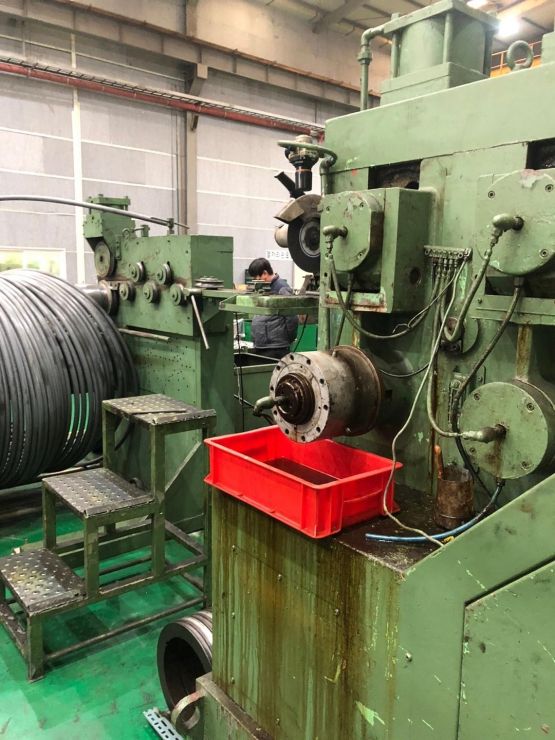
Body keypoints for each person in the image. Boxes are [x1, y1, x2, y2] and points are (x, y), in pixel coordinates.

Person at [247, 258, 298, 360]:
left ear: (265, 273)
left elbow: (292, 317)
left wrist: (287, 339)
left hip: (276, 348)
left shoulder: (281, 288)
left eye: (256, 277)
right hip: (262, 346)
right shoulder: (263, 288)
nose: (255, 281)